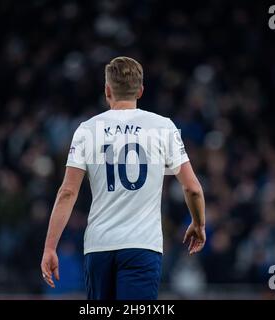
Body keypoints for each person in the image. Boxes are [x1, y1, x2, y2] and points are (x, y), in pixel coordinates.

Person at [41, 56, 206, 300]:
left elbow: (67, 192)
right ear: (140, 90)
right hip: (142, 246)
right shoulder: (163, 127)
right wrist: (198, 223)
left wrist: (50, 247)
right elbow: (192, 188)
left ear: (107, 90)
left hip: (99, 246)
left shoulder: (87, 129)